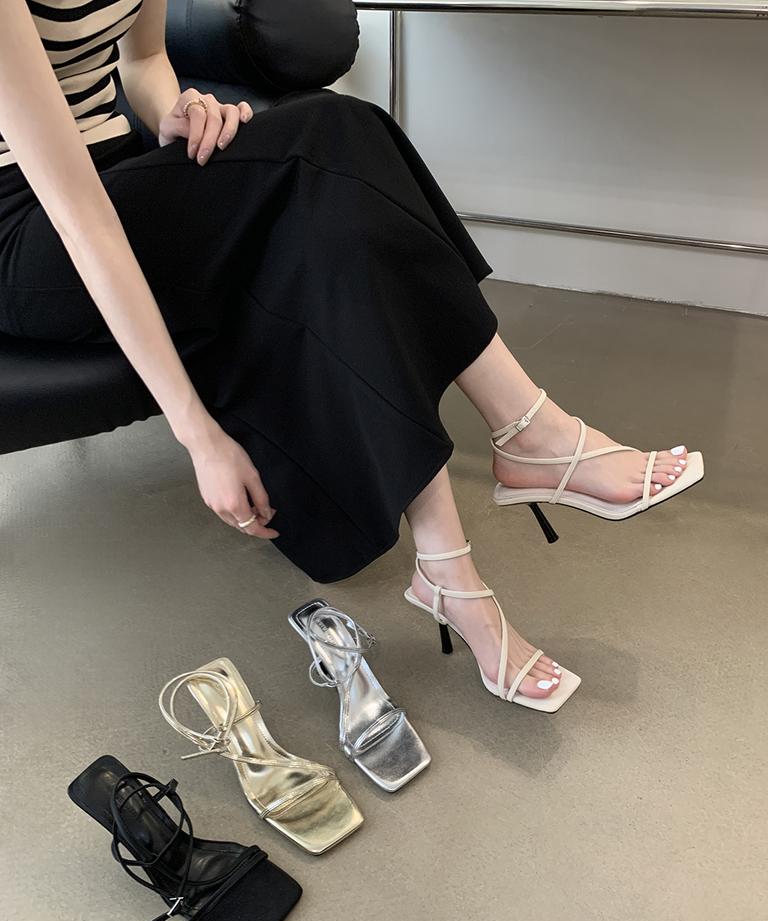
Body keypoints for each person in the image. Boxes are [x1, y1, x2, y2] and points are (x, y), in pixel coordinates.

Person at [0, 0, 701, 707]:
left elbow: (145, 60)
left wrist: (179, 109)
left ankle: (451, 567)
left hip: (118, 171)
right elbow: (82, 221)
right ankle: (530, 439)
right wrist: (199, 436)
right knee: (333, 136)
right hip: (26, 227)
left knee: (333, 200)